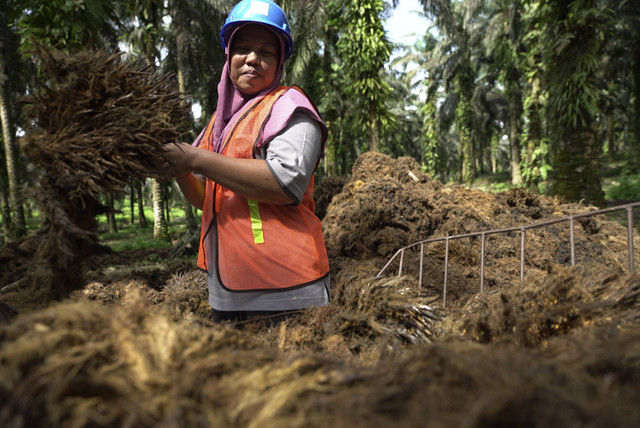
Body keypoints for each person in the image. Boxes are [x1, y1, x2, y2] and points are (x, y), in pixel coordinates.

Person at [165, 0, 330, 325]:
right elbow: (211, 199)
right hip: (229, 288)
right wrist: (183, 171)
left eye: (266, 52)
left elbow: (285, 183)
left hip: (287, 289)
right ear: (229, 56)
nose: (252, 58)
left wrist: (196, 157)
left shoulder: (290, 108)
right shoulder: (220, 121)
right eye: (243, 48)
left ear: (279, 60)